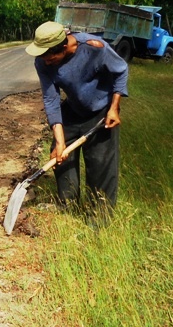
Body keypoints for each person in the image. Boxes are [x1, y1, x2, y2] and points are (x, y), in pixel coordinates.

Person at [25, 21, 128, 221]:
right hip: (73, 109)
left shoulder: (94, 48)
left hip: (101, 112)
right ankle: (68, 205)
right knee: (60, 155)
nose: (46, 62)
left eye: (50, 57)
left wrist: (114, 108)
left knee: (99, 164)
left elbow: (121, 70)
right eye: (43, 57)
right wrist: (61, 141)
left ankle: (99, 217)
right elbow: (51, 99)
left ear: (64, 47)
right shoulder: (42, 61)